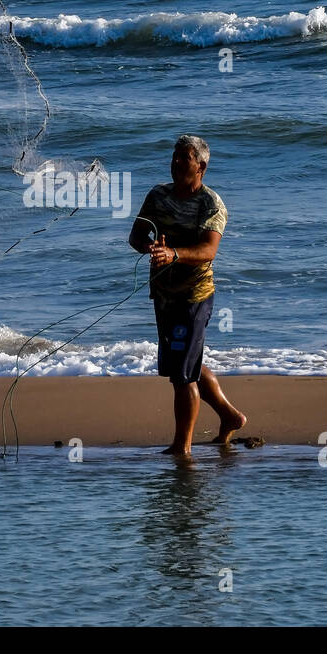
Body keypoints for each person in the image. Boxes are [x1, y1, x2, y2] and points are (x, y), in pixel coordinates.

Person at [128, 135, 246, 456]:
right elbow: (136, 235)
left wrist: (174, 254)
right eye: (175, 157)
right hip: (163, 295)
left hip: (194, 297)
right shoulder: (157, 195)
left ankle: (182, 448)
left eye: (185, 159)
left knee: (182, 375)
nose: (177, 164)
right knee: (183, 366)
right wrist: (150, 247)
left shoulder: (212, 204)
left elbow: (209, 250)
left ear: (201, 167)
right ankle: (230, 415)